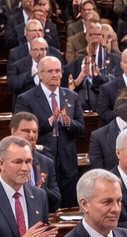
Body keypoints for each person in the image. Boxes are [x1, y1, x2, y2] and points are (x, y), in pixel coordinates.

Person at [12, 55, 82, 205]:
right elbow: (21, 131)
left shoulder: (72, 96)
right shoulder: (26, 98)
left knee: (69, 204)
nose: (56, 75)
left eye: (58, 71)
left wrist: (68, 122)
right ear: (40, 74)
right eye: (51, 71)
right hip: (41, 159)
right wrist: (50, 121)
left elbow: (81, 128)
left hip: (67, 160)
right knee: (47, 203)